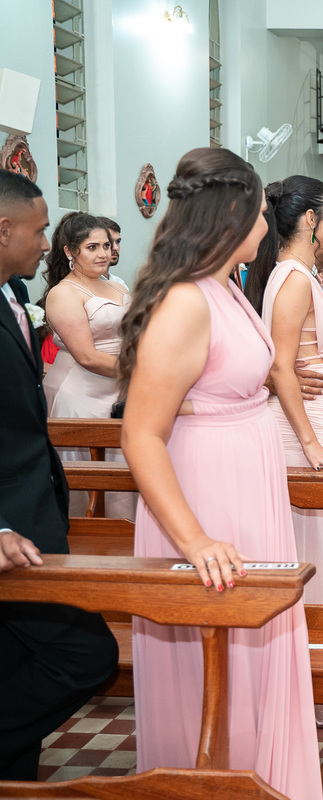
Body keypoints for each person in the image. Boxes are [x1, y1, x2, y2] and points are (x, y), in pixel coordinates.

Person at [118, 147, 320, 799]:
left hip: (249, 484)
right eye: (261, 212)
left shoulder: (226, 289)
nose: (266, 225)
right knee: (214, 668)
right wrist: (195, 540)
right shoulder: (185, 302)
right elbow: (141, 435)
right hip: (207, 499)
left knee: (255, 658)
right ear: (233, 216)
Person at [0, 170, 118, 782]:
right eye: (41, 229)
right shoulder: (41, 295)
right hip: (9, 526)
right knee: (88, 654)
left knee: (16, 655)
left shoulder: (10, 297)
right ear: (3, 229)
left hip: (33, 508)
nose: (46, 242)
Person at [245, 175, 323, 607]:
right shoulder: (292, 278)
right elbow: (281, 367)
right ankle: (307, 637)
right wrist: (311, 445)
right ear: (311, 219)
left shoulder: (301, 274)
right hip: (296, 436)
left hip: (314, 424)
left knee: (315, 539)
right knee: (300, 541)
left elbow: (313, 357)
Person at [40, 212, 135, 519]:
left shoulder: (118, 288)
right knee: (88, 485)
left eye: (107, 246)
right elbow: (87, 357)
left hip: (120, 390)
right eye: (92, 247)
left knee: (124, 471)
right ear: (70, 251)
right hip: (80, 392)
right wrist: (143, 371)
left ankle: (124, 541)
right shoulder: (63, 293)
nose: (104, 253)